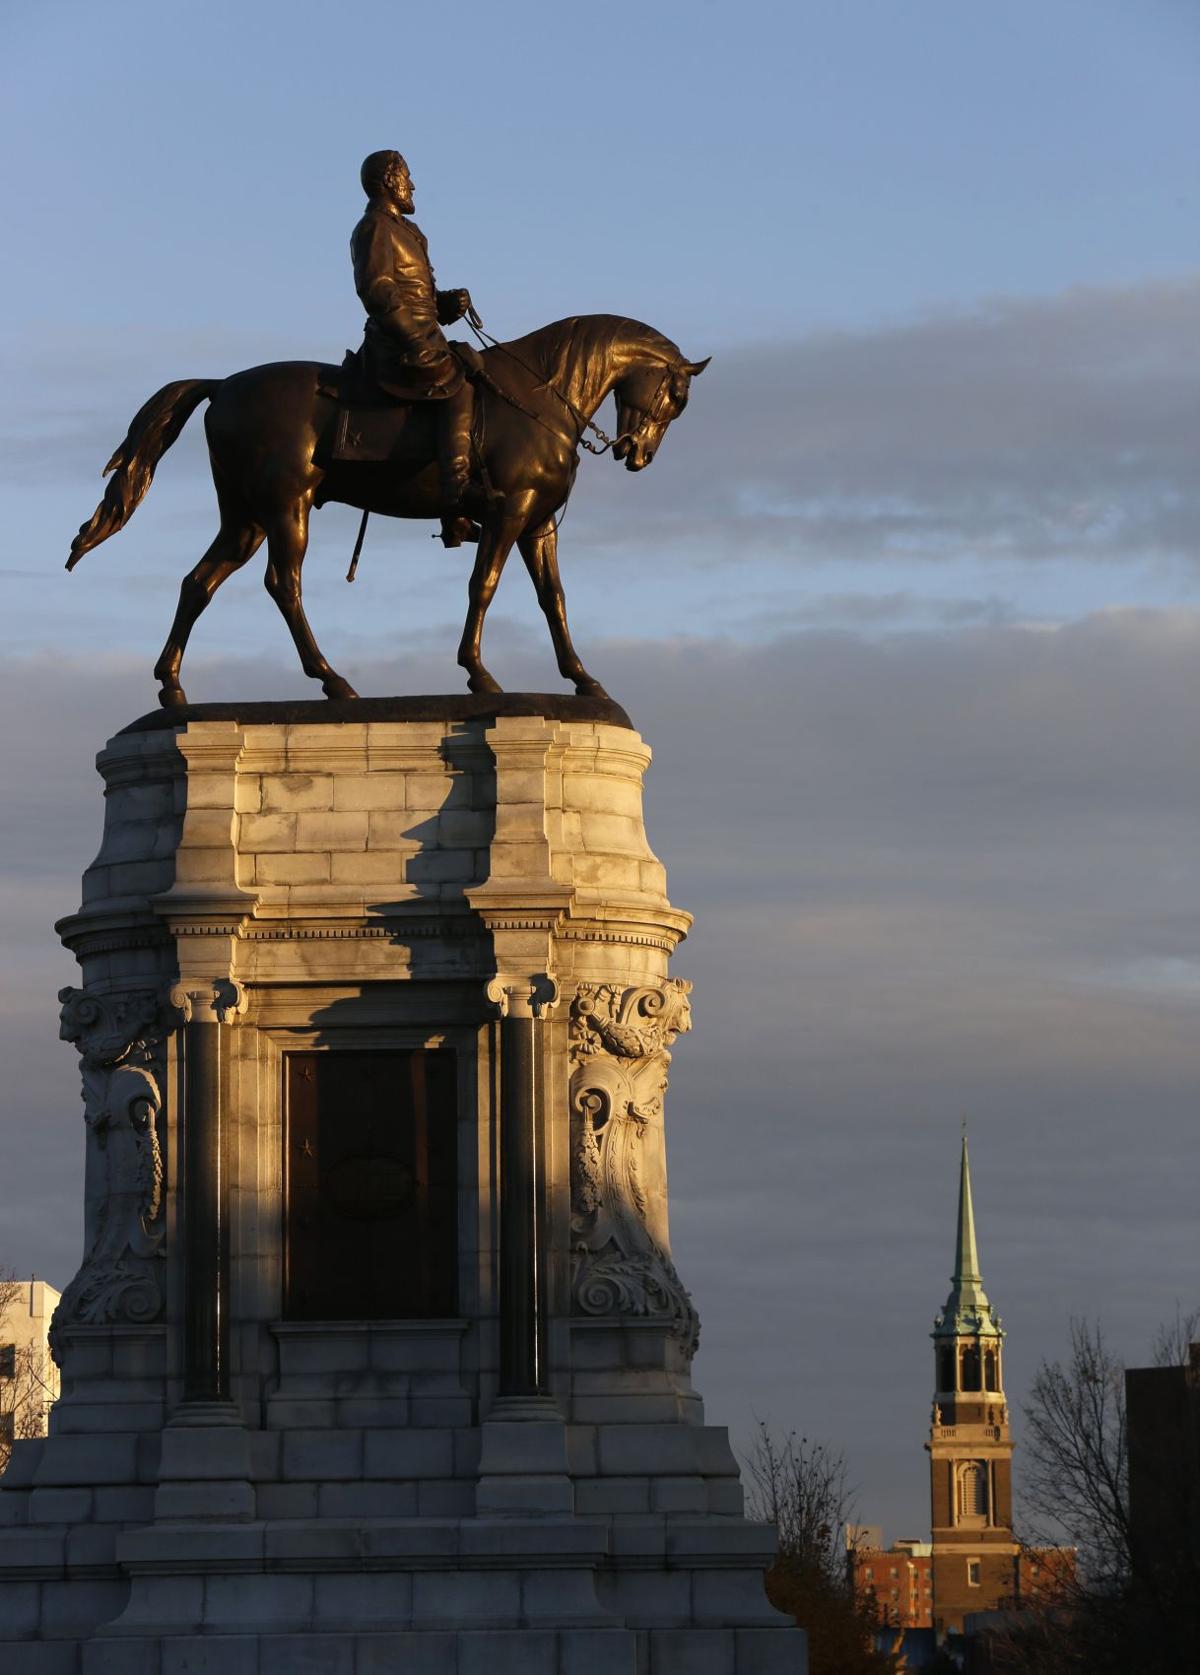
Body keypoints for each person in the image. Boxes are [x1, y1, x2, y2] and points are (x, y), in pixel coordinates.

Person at [351, 150, 476, 511]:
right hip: (395, 342)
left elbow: (420, 297)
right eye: (406, 177)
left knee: (480, 371)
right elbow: (377, 290)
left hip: (424, 337)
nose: (412, 185)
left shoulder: (409, 232)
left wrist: (447, 305)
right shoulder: (373, 227)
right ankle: (456, 493)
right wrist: (412, 337)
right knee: (457, 388)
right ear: (390, 181)